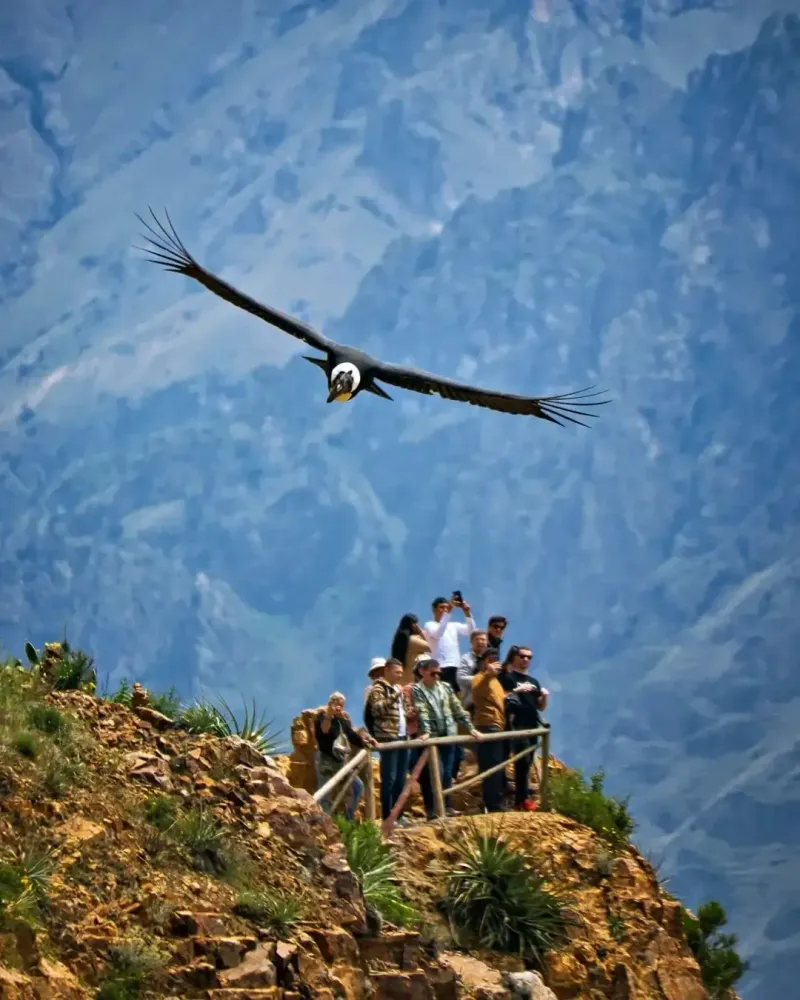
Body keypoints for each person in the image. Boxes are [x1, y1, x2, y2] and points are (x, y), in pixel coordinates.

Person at [411, 658, 482, 820]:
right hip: (432, 739)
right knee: (433, 773)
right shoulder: (418, 690)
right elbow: (422, 710)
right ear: (423, 672)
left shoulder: (445, 687)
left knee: (447, 773)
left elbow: (457, 708)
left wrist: (470, 728)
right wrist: (427, 730)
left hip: (448, 735)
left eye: (439, 673)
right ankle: (432, 809)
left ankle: (447, 806)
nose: (437, 676)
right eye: (433, 673)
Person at [423, 595, 476, 783]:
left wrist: (467, 613)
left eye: (446, 607)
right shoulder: (430, 625)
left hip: (454, 667)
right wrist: (449, 614)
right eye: (441, 607)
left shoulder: (453, 626)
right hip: (440, 667)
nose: (445, 610)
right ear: (434, 609)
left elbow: (471, 631)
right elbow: (438, 633)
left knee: (456, 703)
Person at [499, 646, 549, 811]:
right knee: (521, 761)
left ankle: (521, 799)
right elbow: (501, 696)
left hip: (532, 724)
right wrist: (516, 690)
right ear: (515, 657)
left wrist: (544, 697)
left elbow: (540, 708)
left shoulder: (534, 681)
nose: (526, 660)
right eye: (522, 656)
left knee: (527, 762)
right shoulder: (508, 677)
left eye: (529, 657)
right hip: (516, 723)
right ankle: (521, 799)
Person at [315, 692, 376, 820]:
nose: (338, 707)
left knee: (358, 787)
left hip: (340, 762)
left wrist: (365, 741)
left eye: (341, 705)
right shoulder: (321, 718)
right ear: (330, 704)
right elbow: (324, 731)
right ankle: (324, 824)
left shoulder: (342, 721)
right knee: (325, 794)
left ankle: (347, 819)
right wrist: (329, 715)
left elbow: (352, 736)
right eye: (336, 704)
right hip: (326, 761)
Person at [366, 658, 410, 821]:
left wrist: (410, 712)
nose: (400, 675)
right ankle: (387, 815)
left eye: (401, 672)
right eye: (397, 672)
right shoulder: (378, 688)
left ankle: (399, 813)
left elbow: (401, 711)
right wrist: (396, 695)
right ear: (387, 671)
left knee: (400, 777)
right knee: (389, 778)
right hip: (388, 737)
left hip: (402, 736)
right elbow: (377, 709)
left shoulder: (397, 688)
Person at [471, 647, 507, 813]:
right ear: (484, 662)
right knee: (490, 765)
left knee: (498, 765)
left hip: (498, 724)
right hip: (487, 724)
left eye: (495, 659)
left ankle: (496, 802)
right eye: (490, 659)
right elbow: (477, 691)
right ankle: (492, 804)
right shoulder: (479, 678)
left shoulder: (497, 682)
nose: (494, 662)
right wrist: (487, 674)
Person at [390, 613, 431, 686]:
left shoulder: (398, 641)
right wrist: (420, 632)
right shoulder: (413, 640)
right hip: (412, 685)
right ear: (413, 625)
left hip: (401, 684)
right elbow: (432, 647)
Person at [457, 629, 488, 710]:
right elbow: (461, 678)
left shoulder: (491, 659)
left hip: (488, 703)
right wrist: (481, 678)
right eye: (477, 639)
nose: (480, 642)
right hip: (471, 704)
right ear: (471, 642)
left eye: (483, 639)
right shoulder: (466, 658)